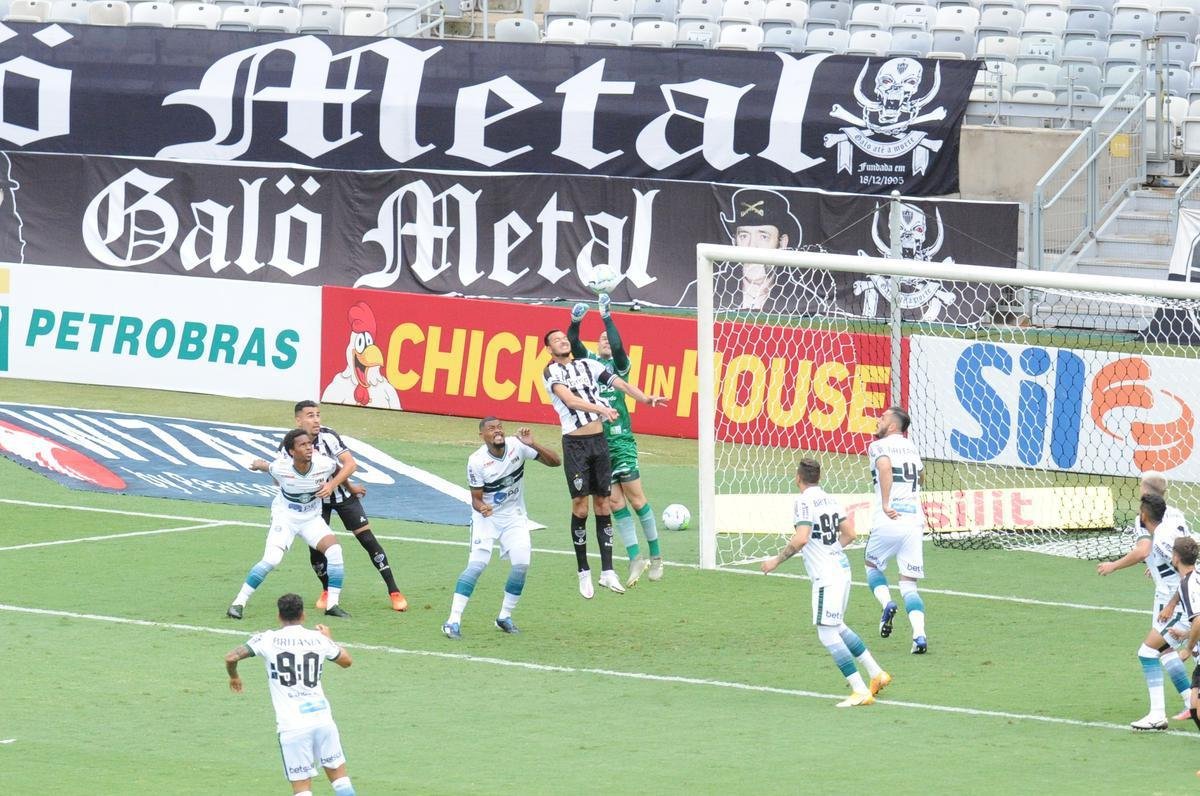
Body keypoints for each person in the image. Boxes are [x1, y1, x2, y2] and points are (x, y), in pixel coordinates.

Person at [541, 329, 668, 599]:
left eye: (564, 337)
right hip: (575, 445)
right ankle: (583, 570)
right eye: (556, 340)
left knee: (604, 503)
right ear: (549, 350)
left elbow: (619, 383)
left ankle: (608, 571)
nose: (563, 340)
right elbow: (570, 400)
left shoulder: (589, 364)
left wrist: (645, 398)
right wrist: (601, 409)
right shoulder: (552, 373)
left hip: (601, 442)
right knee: (580, 506)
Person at [253, 400, 407, 613]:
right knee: (318, 550)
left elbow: (349, 464)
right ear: (298, 420)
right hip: (315, 503)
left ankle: (394, 591)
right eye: (310, 415)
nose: (316, 419)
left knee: (368, 539)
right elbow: (279, 478)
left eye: (318, 415)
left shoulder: (329, 436)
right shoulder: (289, 445)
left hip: (342, 496)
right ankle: (327, 591)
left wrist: (342, 487)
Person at [761, 458, 891, 707]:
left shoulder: (802, 501)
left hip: (827, 576)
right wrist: (831, 551)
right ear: (818, 477)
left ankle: (859, 689)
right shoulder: (830, 498)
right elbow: (850, 534)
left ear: (798, 477)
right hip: (842, 568)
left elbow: (801, 539)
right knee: (838, 625)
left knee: (826, 633)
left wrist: (774, 562)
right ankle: (877, 674)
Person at [567, 295, 663, 587]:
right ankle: (635, 557)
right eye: (602, 339)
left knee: (636, 498)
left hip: (621, 441)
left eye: (608, 338)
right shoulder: (589, 364)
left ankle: (656, 556)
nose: (606, 341)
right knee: (613, 500)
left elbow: (618, 345)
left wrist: (607, 318)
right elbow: (572, 342)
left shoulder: (619, 365)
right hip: (598, 442)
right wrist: (575, 321)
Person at [224, 593, 356, 796]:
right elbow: (346, 661)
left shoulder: (267, 638)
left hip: (293, 726)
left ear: (279, 616)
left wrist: (234, 677)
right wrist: (330, 640)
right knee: (340, 780)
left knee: (302, 790)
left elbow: (232, 656)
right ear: (303, 615)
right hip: (322, 719)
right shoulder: (317, 639)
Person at [442, 418, 561, 639]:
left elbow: (555, 462)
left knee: (522, 565)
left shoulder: (518, 445)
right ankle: (452, 621)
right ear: (482, 436)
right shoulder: (476, 461)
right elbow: (475, 499)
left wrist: (533, 444)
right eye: (491, 429)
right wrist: (483, 508)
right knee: (477, 566)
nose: (497, 431)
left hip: (514, 517)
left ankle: (504, 617)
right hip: (487, 519)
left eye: (499, 427)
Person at [231, 429, 350, 619]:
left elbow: (340, 470)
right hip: (285, 518)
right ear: (292, 451)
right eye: (302, 445)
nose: (309, 447)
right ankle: (238, 603)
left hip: (311, 519)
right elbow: (267, 467)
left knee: (335, 551)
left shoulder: (324, 464)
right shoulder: (281, 468)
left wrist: (338, 486)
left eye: (309, 444)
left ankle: (332, 605)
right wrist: (256, 464)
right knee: (272, 560)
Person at [1100, 487, 1193, 730]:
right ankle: (1189, 702)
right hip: (1174, 600)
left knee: (1148, 652)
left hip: (1179, 605)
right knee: (1163, 650)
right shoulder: (1169, 528)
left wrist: (1172, 605)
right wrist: (1156, 566)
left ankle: (1157, 715)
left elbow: (1184, 571)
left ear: (1143, 515)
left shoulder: (1161, 538)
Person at [863, 406, 928, 654]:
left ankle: (886, 602)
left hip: (889, 519)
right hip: (914, 522)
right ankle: (919, 636)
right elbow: (921, 477)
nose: (878, 420)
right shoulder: (911, 447)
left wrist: (887, 502)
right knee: (909, 584)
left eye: (883, 418)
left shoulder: (878, 447)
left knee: (871, 565)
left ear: (892, 426)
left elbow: (885, 469)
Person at [720, 187, 802, 311]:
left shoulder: (802, 299)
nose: (752, 245)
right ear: (734, 241)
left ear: (782, 243)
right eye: (744, 236)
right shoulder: (706, 289)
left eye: (764, 236)